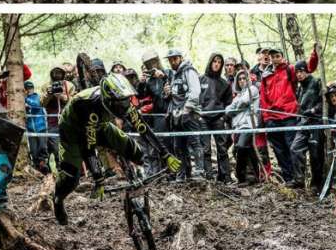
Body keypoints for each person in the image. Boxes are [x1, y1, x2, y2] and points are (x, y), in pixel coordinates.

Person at [53, 73, 181, 225]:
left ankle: (136, 176)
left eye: (126, 101)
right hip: (72, 129)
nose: (124, 107)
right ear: (108, 101)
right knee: (71, 176)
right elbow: (89, 147)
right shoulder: (89, 104)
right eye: (120, 104)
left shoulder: (123, 102)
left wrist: (165, 154)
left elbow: (143, 128)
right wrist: (98, 179)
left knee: (135, 151)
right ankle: (58, 199)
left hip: (100, 124)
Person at [261, 46, 318, 185]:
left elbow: (309, 68)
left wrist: (314, 54)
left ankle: (298, 178)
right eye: (272, 57)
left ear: (282, 57)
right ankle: (288, 179)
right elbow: (263, 97)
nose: (275, 59)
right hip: (272, 118)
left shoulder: (290, 69)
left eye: (277, 56)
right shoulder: (266, 75)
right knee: (279, 151)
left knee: (292, 147)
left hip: (289, 115)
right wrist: (266, 116)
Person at [164, 47, 204, 180]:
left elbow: (195, 91)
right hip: (175, 114)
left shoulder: (189, 71)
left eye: (175, 59)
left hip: (189, 113)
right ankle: (183, 174)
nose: (172, 62)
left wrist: (187, 109)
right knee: (178, 146)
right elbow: (171, 95)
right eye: (170, 60)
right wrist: (167, 92)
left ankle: (199, 173)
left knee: (194, 142)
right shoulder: (172, 74)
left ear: (181, 58)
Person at [290, 57, 324, 191]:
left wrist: (314, 110)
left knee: (316, 155)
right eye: (297, 72)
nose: (299, 74)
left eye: (301, 71)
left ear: (307, 71)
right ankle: (299, 180)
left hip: (316, 123)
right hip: (303, 124)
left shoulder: (316, 82)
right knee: (295, 148)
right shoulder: (300, 88)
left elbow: (325, 102)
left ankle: (316, 184)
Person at [200, 52, 234, 182]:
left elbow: (229, 104)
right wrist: (198, 116)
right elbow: (195, 99)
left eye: (220, 62)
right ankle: (208, 176)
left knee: (222, 149)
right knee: (206, 149)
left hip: (218, 119)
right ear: (210, 62)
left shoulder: (224, 84)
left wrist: (223, 118)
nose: (217, 64)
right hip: (203, 119)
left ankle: (225, 177)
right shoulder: (200, 79)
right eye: (215, 61)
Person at [226, 69, 261, 185]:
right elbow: (227, 111)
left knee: (241, 146)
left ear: (248, 79)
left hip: (248, 125)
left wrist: (236, 107)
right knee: (244, 150)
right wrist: (237, 106)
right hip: (237, 127)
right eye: (239, 79)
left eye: (244, 78)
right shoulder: (237, 96)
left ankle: (240, 176)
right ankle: (252, 177)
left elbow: (244, 102)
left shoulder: (253, 89)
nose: (242, 81)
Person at [24, 81, 49, 173]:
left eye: (31, 88)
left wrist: (26, 100)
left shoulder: (37, 97)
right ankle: (37, 168)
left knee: (42, 147)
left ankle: (44, 165)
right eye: (27, 89)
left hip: (41, 127)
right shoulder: (21, 99)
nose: (29, 90)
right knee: (33, 151)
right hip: (30, 129)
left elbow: (37, 105)